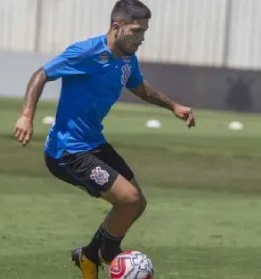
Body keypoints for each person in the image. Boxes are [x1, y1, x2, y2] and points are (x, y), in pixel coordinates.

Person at [13, 1, 196, 278]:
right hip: (67, 151)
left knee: (137, 204)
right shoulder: (86, 52)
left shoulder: (127, 59)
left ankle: (88, 255)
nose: (142, 37)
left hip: (93, 143)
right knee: (128, 199)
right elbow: (41, 74)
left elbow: (140, 88)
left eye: (145, 30)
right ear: (116, 27)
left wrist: (173, 106)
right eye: (136, 30)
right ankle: (108, 256)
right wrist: (27, 116)